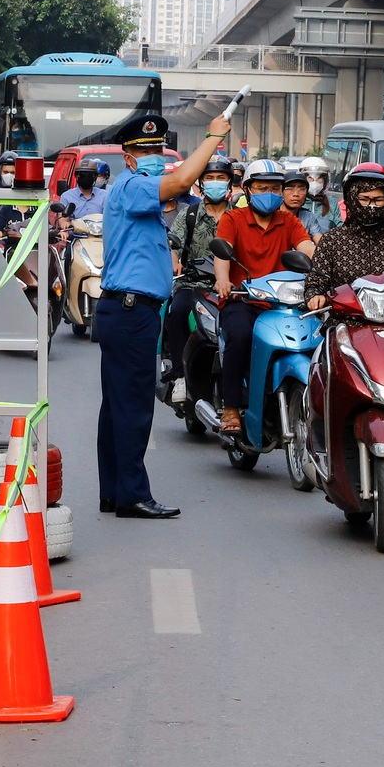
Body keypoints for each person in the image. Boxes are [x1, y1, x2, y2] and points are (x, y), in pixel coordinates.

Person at [97, 113, 232, 517]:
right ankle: (133, 495)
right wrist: (212, 138)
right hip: (130, 310)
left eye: (159, 149)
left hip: (126, 309)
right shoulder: (134, 186)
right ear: (129, 156)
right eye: (146, 150)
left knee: (116, 406)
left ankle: (114, 492)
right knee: (135, 406)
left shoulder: (134, 190)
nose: (154, 156)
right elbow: (177, 182)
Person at [210, 160, 316, 432]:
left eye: (275, 187)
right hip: (242, 301)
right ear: (247, 189)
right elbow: (223, 254)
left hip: (282, 304)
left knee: (317, 338)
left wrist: (323, 271)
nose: (269, 192)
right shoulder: (233, 219)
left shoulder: (289, 221)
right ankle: (232, 407)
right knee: (240, 337)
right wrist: (223, 280)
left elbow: (307, 248)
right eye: (261, 187)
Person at [302, 162, 384, 305]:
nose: (371, 206)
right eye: (364, 199)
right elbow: (316, 281)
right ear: (351, 199)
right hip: (345, 321)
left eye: (378, 200)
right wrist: (315, 295)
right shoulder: (332, 240)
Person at [163, 154, 235, 379]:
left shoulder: (240, 216)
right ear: (201, 183)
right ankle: (180, 374)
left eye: (221, 177)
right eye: (210, 177)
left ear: (230, 182)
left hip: (233, 285)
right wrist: (174, 262)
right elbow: (174, 243)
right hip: (193, 283)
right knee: (178, 312)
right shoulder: (189, 215)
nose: (215, 181)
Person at [281, 172, 332, 238]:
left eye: (302, 189)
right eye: (290, 188)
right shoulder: (272, 215)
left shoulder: (308, 217)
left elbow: (319, 241)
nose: (296, 194)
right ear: (281, 192)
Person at [61, 155, 108, 220]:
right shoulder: (66, 196)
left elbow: (110, 218)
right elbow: (63, 218)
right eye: (82, 175)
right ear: (76, 176)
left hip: (98, 229)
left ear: (95, 176)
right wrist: (64, 224)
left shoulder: (104, 196)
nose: (86, 178)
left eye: (89, 175)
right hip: (74, 230)